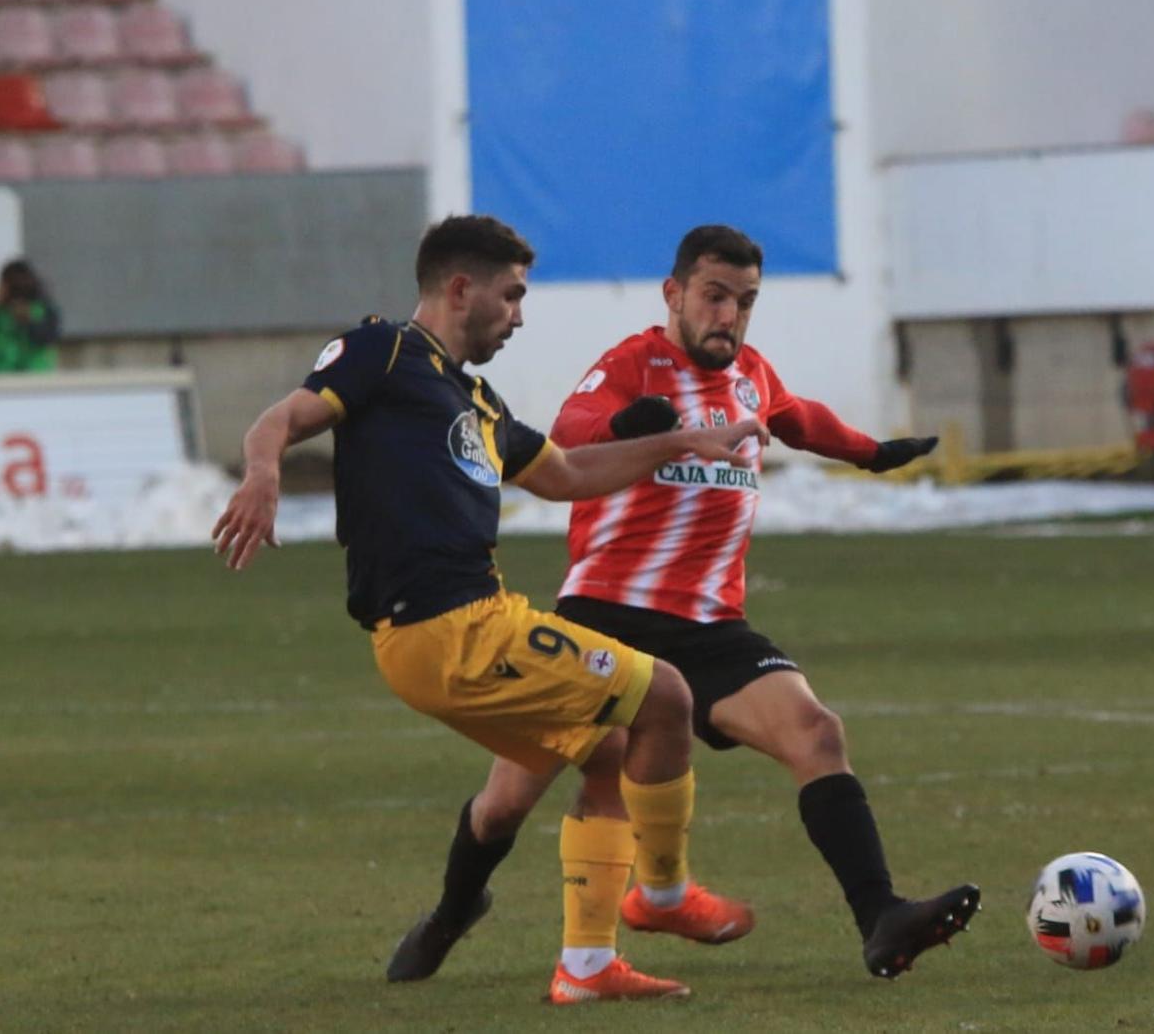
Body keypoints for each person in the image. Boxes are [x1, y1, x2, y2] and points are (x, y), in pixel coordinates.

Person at [390, 224, 979, 986]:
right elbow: (569, 434)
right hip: (606, 614)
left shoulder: (752, 377)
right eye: (714, 296)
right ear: (674, 295)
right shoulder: (634, 363)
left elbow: (797, 417)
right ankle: (451, 913)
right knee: (506, 804)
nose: (729, 315)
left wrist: (870, 453)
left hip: (711, 627)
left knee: (817, 734)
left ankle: (881, 917)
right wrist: (629, 425)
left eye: (744, 301)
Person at [211, 215, 768, 1004]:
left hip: (457, 627)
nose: (519, 315)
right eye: (511, 297)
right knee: (669, 696)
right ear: (460, 288)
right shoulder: (385, 351)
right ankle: (666, 895)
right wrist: (262, 472)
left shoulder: (473, 397)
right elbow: (284, 417)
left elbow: (569, 471)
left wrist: (680, 443)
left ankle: (581, 965)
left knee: (604, 751)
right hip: (449, 626)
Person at [0, 259, 61, 373]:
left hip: (36, 376)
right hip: (0, 374)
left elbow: (47, 338)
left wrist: (28, 320)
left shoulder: (43, 310)